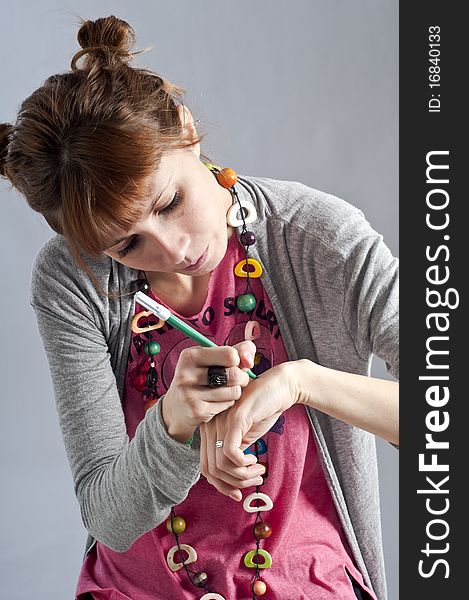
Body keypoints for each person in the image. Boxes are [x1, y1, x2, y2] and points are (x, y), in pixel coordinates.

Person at [0, 15, 398, 600]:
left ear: (185, 129)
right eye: (127, 244)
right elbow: (109, 520)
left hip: (303, 581)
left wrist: (299, 382)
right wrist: (173, 423)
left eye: (170, 202)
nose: (176, 250)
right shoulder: (72, 278)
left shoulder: (318, 237)